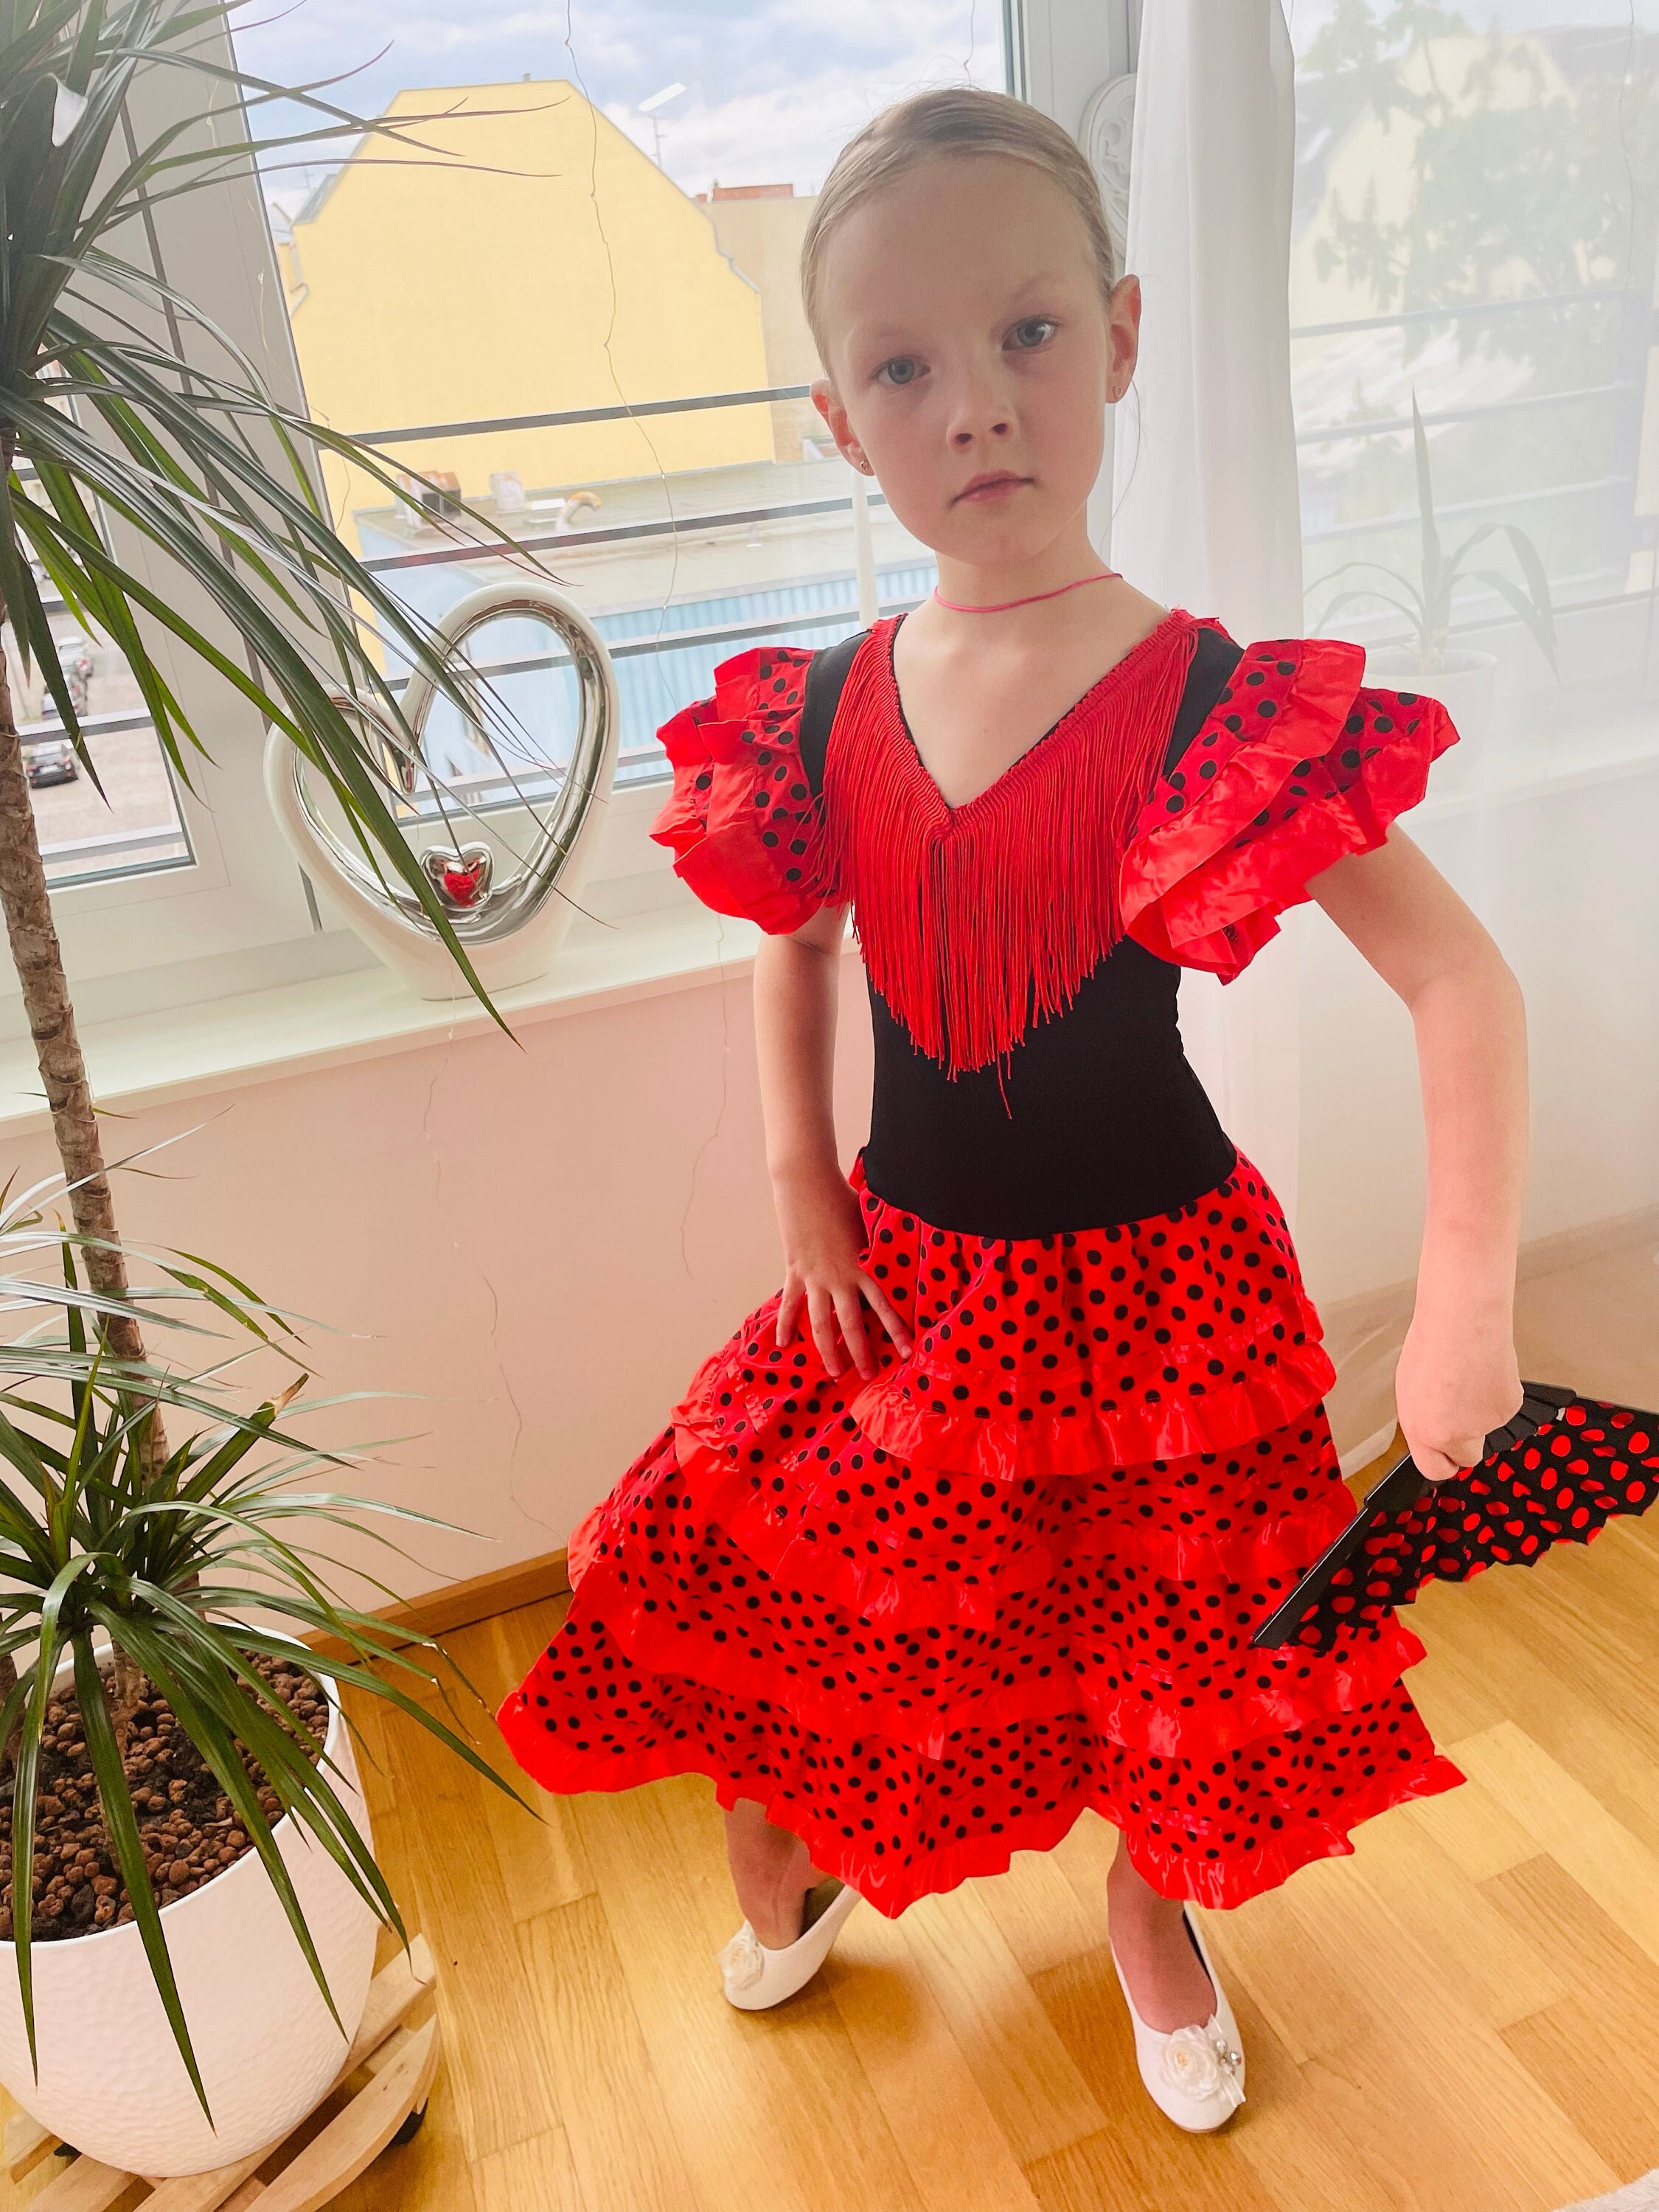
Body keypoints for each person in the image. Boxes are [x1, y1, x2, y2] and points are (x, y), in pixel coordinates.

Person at [497, 85, 1528, 2133]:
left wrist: (1464, 1299)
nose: (974, 405)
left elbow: (1454, 975)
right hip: (900, 1276)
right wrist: (800, 1183)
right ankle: (782, 1863)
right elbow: (789, 937)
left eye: (1027, 336)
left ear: (1122, 338)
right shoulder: (812, 706)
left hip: (1164, 1294)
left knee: (1175, 1653)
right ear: (838, 420)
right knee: (759, 1567)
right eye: (904, 365)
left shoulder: (1216, 704)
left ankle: (1152, 1918)